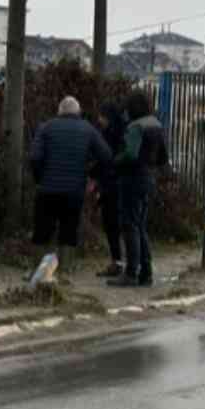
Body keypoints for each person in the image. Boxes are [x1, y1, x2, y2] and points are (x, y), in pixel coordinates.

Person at [29, 96, 112, 280]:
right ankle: (66, 272)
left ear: (59, 111)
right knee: (69, 229)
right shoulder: (88, 129)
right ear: (78, 112)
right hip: (74, 190)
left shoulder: (46, 128)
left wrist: (39, 179)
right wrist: (92, 174)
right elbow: (106, 156)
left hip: (47, 190)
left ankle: (38, 271)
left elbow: (34, 157)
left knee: (42, 230)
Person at [107, 91, 169, 288]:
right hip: (149, 179)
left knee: (129, 226)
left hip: (132, 179)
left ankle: (131, 273)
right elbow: (163, 158)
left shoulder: (135, 126)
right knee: (140, 226)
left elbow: (131, 154)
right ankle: (146, 272)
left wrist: (115, 161)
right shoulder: (157, 125)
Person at [94, 102, 127, 278]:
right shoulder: (121, 132)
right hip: (117, 184)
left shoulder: (109, 135)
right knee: (117, 225)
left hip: (111, 185)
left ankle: (118, 262)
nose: (99, 119)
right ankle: (121, 262)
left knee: (112, 225)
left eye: (101, 116)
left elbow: (104, 160)